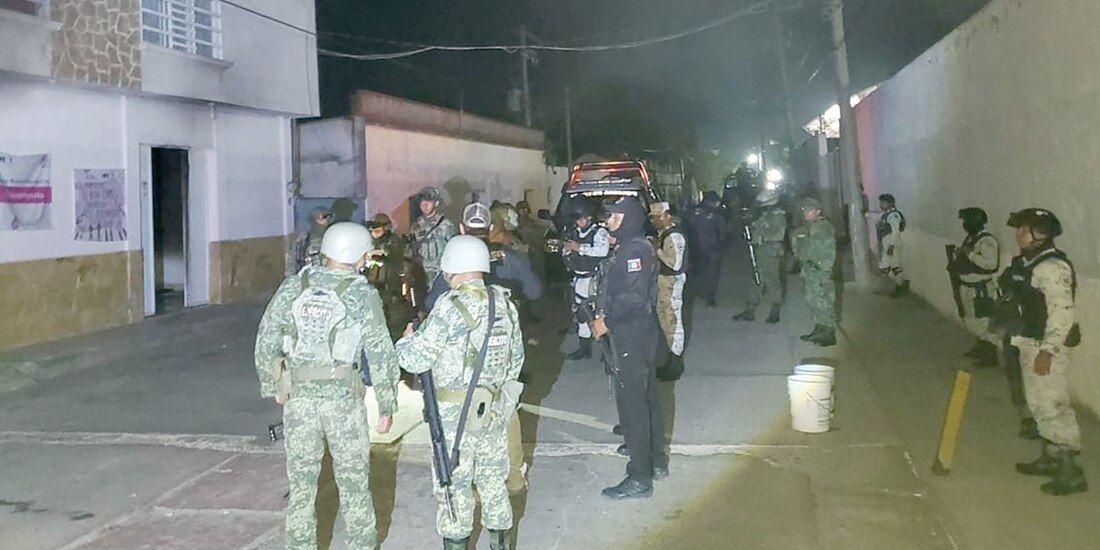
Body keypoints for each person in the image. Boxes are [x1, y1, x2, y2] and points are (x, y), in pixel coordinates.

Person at [253, 222, 399, 550]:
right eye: (364, 255)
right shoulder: (362, 293)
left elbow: (266, 337)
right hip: (342, 404)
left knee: (302, 489)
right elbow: (380, 349)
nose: (366, 261)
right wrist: (387, 403)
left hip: (299, 402)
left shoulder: (294, 285)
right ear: (354, 254)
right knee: (354, 487)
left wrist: (272, 384)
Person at [396, 235, 525, 548]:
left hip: (455, 418)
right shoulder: (503, 304)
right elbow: (516, 360)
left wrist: (406, 339)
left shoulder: (450, 307)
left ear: (450, 266)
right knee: (494, 483)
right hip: (492, 410)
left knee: (454, 489)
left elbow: (414, 359)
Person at [423, 202, 539, 495]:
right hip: (501, 353)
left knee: (462, 415)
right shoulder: (509, 257)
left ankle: (468, 480)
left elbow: (429, 304)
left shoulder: (454, 264)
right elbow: (536, 291)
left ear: (461, 229)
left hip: (464, 363)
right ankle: (513, 476)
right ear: (490, 230)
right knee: (505, 409)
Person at [1002, 208, 1086, 496]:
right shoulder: (1030, 263)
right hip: (1029, 343)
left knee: (1052, 406)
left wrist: (1048, 351)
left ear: (1040, 232)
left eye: (1023, 229)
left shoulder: (1052, 267)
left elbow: (1062, 313)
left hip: (1045, 348)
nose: (1018, 234)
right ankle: (1050, 459)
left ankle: (1070, 473)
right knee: (1038, 404)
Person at [591, 196, 668, 500]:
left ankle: (639, 477)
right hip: (636, 334)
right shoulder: (630, 247)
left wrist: (606, 321)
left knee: (633, 406)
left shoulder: (635, 249)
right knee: (646, 400)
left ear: (628, 218)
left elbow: (634, 299)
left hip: (631, 336)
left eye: (613, 217)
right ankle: (655, 462)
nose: (607, 221)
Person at [950, 207, 1001, 367]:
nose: (964, 224)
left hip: (980, 290)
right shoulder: (972, 238)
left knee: (983, 321)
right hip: (967, 287)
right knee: (971, 320)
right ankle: (980, 347)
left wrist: (969, 254)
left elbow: (991, 265)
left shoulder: (987, 241)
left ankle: (991, 355)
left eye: (967, 220)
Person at [561, 196, 611, 360]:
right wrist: (567, 251)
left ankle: (607, 350)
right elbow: (567, 251)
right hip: (578, 279)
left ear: (588, 217)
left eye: (579, 219)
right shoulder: (574, 232)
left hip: (595, 280)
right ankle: (584, 348)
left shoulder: (599, 232)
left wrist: (579, 248)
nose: (577, 223)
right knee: (581, 314)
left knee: (599, 314)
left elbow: (602, 251)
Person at [732, 188, 788, 324]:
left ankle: (775, 311)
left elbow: (778, 234)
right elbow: (759, 228)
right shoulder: (766, 214)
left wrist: (762, 238)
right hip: (761, 250)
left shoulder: (778, 215)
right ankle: (750, 310)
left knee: (771, 280)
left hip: (770, 250)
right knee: (756, 279)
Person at [649, 202, 688, 382]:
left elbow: (675, 264)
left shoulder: (674, 236)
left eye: (656, 217)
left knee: (673, 323)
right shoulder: (663, 234)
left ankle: (675, 364)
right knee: (665, 322)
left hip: (672, 283)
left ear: (666, 215)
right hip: (663, 283)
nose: (654, 221)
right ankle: (670, 359)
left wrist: (656, 250)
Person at [792, 198, 837, 347]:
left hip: (820, 270)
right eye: (804, 210)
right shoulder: (809, 227)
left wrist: (825, 271)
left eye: (809, 210)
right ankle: (819, 329)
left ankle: (828, 333)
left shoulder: (823, 228)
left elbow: (829, 252)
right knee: (813, 301)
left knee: (824, 302)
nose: (805, 213)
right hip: (809, 269)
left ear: (818, 211)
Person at [364, 213, 414, 340]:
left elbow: (390, 253)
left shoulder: (393, 241)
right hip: (373, 285)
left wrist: (373, 253)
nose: (374, 232)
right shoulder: (370, 242)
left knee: (391, 324)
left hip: (390, 288)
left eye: (378, 229)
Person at [411, 186, 458, 284]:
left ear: (436, 203)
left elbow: (455, 254)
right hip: (421, 278)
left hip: (440, 277)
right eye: (422, 202)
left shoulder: (446, 226)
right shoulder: (416, 227)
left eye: (429, 201)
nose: (425, 205)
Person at [685, 191, 724, 306]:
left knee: (695, 272)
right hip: (710, 247)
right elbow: (723, 231)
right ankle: (710, 297)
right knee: (711, 273)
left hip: (694, 248)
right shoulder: (716, 215)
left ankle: (697, 293)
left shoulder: (691, 212)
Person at [877, 193, 909, 297]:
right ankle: (901, 285)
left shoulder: (893, 215)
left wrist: (892, 245)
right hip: (889, 244)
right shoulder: (886, 214)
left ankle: (900, 286)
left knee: (885, 267)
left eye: (883, 203)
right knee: (894, 267)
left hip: (892, 244)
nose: (881, 205)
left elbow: (895, 231)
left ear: (890, 203)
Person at [294, 206, 332, 271]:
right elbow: (294, 260)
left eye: (325, 217)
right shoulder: (304, 238)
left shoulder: (331, 236)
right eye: (322, 217)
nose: (326, 220)